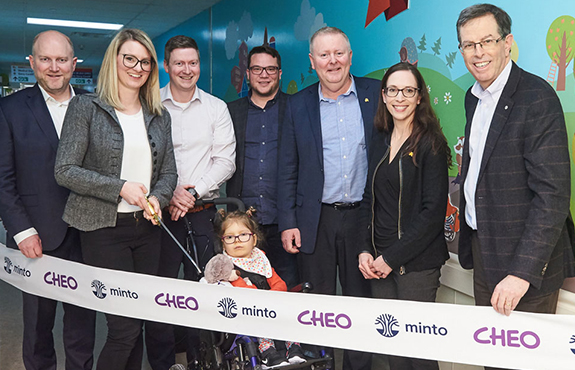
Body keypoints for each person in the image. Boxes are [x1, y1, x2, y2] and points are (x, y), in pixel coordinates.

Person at [54, 28, 177, 370]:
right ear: (115, 60)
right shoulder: (86, 107)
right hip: (103, 230)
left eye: (146, 62)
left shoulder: (158, 114)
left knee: (137, 322)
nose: (138, 67)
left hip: (148, 232)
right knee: (123, 327)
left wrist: (158, 198)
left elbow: (169, 173)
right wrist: (120, 187)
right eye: (130, 59)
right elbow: (64, 170)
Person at [456, 3, 575, 332]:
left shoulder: (537, 98)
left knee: (522, 363)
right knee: (491, 355)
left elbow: (552, 195)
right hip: (484, 250)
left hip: (526, 264)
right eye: (469, 44)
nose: (478, 53)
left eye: (487, 41)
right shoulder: (473, 97)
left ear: (507, 43)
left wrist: (522, 272)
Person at [277, 26, 379, 370]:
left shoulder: (377, 94)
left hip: (363, 218)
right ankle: (319, 365)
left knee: (359, 303)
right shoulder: (297, 105)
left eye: (339, 53)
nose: (332, 61)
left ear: (350, 56)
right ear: (312, 61)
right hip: (315, 220)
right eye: (324, 54)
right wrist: (288, 222)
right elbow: (287, 167)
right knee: (317, 305)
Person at [0, 30, 96, 370]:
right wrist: (22, 230)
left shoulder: (93, 105)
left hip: (88, 233)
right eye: (45, 59)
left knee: (83, 323)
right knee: (39, 326)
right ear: (32, 63)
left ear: (74, 64)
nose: (54, 67)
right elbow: (3, 178)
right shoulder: (9, 109)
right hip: (36, 234)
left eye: (61, 60)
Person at [144, 35, 236, 370]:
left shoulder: (216, 108)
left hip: (203, 213)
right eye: (179, 63)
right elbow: (139, 157)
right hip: (158, 215)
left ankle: (206, 359)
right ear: (166, 66)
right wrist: (167, 193)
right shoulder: (148, 105)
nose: (187, 70)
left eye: (193, 63)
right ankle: (163, 363)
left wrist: (191, 193)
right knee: (161, 292)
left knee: (208, 289)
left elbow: (225, 161)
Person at [357, 62, 451, 370]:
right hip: (378, 264)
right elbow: (368, 200)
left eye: (409, 90)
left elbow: (432, 214)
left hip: (416, 267)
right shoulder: (379, 140)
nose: (401, 97)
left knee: (418, 354)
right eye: (394, 90)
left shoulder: (431, 144)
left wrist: (391, 258)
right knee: (393, 354)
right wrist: (365, 251)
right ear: (383, 96)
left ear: (420, 97)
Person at [227, 45, 299, 289]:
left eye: (271, 69)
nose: (264, 74)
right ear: (247, 73)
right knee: (244, 293)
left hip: (286, 221)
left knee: (287, 290)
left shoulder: (296, 108)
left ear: (280, 73)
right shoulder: (230, 112)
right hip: (243, 223)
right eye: (257, 68)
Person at [212, 209, 306, 369]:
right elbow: (237, 287)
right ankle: (267, 351)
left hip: (270, 304)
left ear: (254, 239)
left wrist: (270, 296)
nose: (237, 241)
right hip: (245, 311)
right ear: (223, 243)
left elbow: (279, 283)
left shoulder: (260, 259)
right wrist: (259, 299)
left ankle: (293, 348)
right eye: (229, 237)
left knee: (290, 313)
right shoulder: (225, 265)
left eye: (243, 235)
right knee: (259, 318)